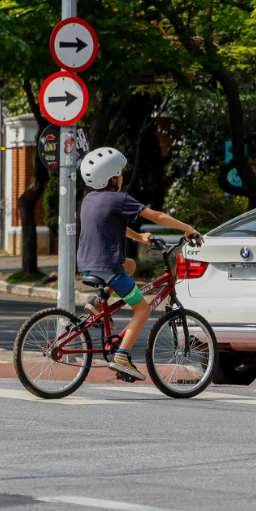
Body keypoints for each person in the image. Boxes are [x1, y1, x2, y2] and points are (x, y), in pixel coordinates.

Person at [77, 147, 203, 380]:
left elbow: (110, 224)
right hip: (109, 267)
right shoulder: (119, 199)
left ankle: (99, 300)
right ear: (112, 177)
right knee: (143, 309)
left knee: (131, 265)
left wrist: (140, 237)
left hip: (87, 263)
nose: (122, 176)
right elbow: (156, 216)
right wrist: (188, 229)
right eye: (121, 172)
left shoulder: (89, 200)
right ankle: (122, 356)